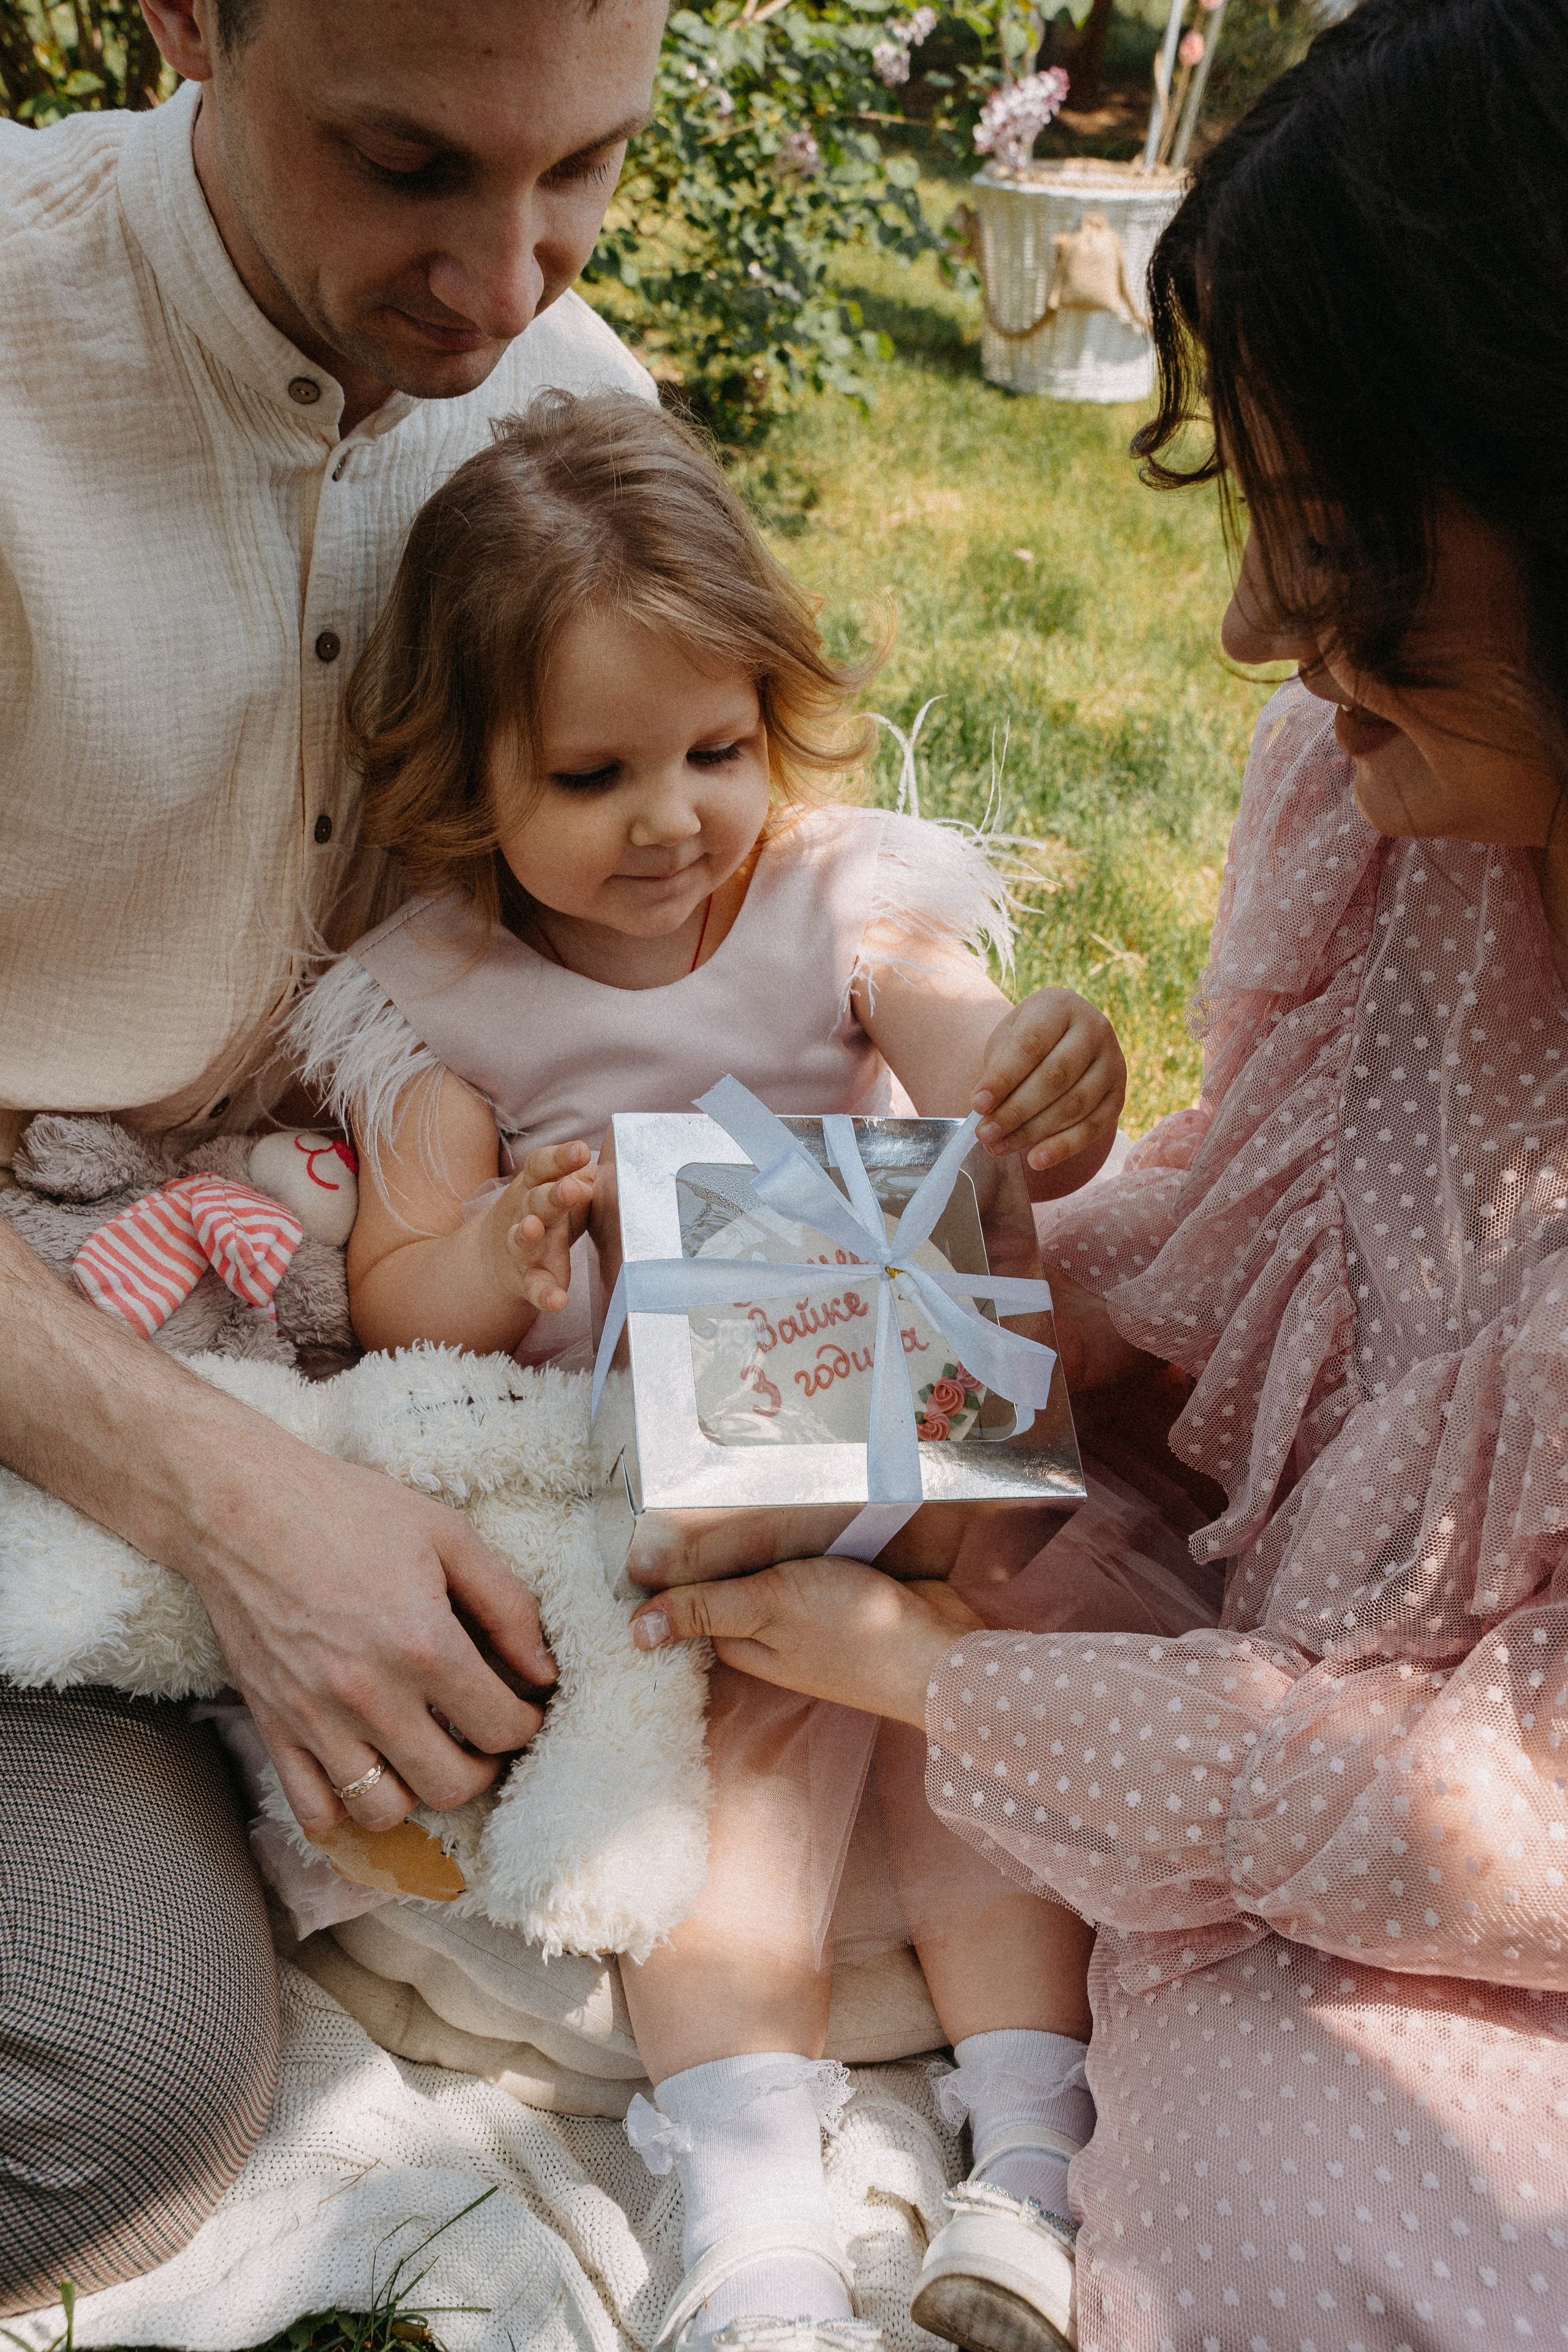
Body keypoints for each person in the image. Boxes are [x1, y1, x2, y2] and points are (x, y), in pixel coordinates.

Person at [625, 0, 1568, 2342]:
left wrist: (944, 1682)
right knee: (823, 1326)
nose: (1257, 623)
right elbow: (1273, 1236)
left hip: (1484, 1821)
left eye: (1333, 530)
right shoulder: (1377, 803)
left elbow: (1508, 1824)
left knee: (1286, 2166)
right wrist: (903, 1302)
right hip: (1321, 1639)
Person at [287, 384, 1127, 2350]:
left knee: (966, 1717)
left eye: (718, 750)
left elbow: (961, 1066)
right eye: (591, 777)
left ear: (774, 720)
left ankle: (1035, 2167)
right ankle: (749, 2191)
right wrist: (495, 1256)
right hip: (681, 1476)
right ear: (465, 780)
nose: (674, 820)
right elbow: (398, 1289)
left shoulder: (835, 899)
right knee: (730, 1762)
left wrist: (1029, 1084)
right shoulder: (441, 990)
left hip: (915, 1424)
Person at [0, 0, 667, 2313]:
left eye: (583, 166)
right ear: (190, 20)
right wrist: (234, 1506)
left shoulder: (573, 410)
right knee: (111, 2071)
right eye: (407, 167)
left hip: (342, 1331)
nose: (510, 293)